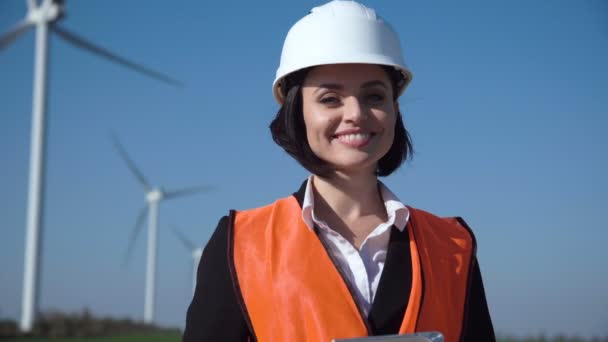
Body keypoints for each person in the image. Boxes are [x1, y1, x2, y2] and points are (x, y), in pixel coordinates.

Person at [183, 1, 495, 341]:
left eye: (374, 96)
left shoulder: (453, 247)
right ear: (296, 111)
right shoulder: (239, 245)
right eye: (330, 98)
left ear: (395, 109)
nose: (355, 113)